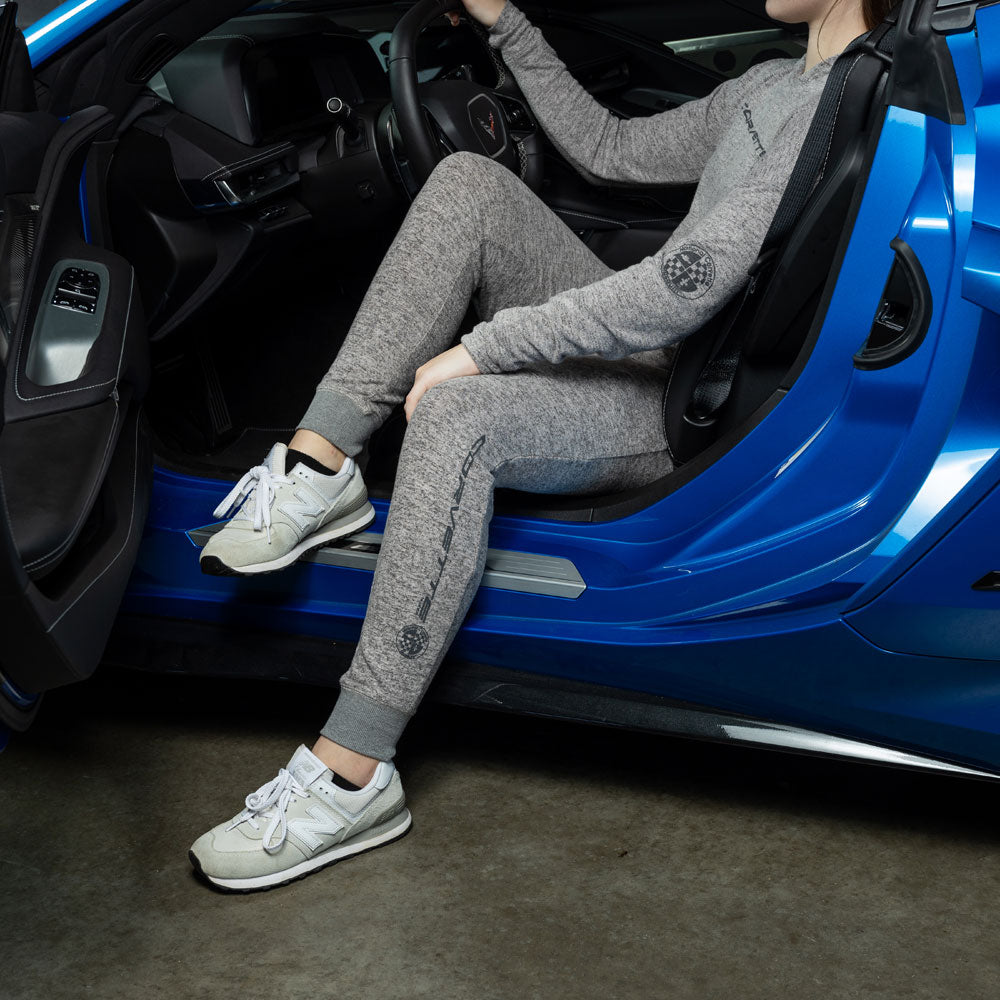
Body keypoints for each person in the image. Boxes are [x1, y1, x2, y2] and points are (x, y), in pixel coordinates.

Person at [188, 0, 892, 891]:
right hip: (666, 351)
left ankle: (353, 772)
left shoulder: (839, 103)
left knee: (456, 415)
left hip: (679, 400)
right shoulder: (765, 86)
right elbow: (610, 149)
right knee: (470, 187)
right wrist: (507, 26)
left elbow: (687, 284)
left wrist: (485, 347)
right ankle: (319, 461)